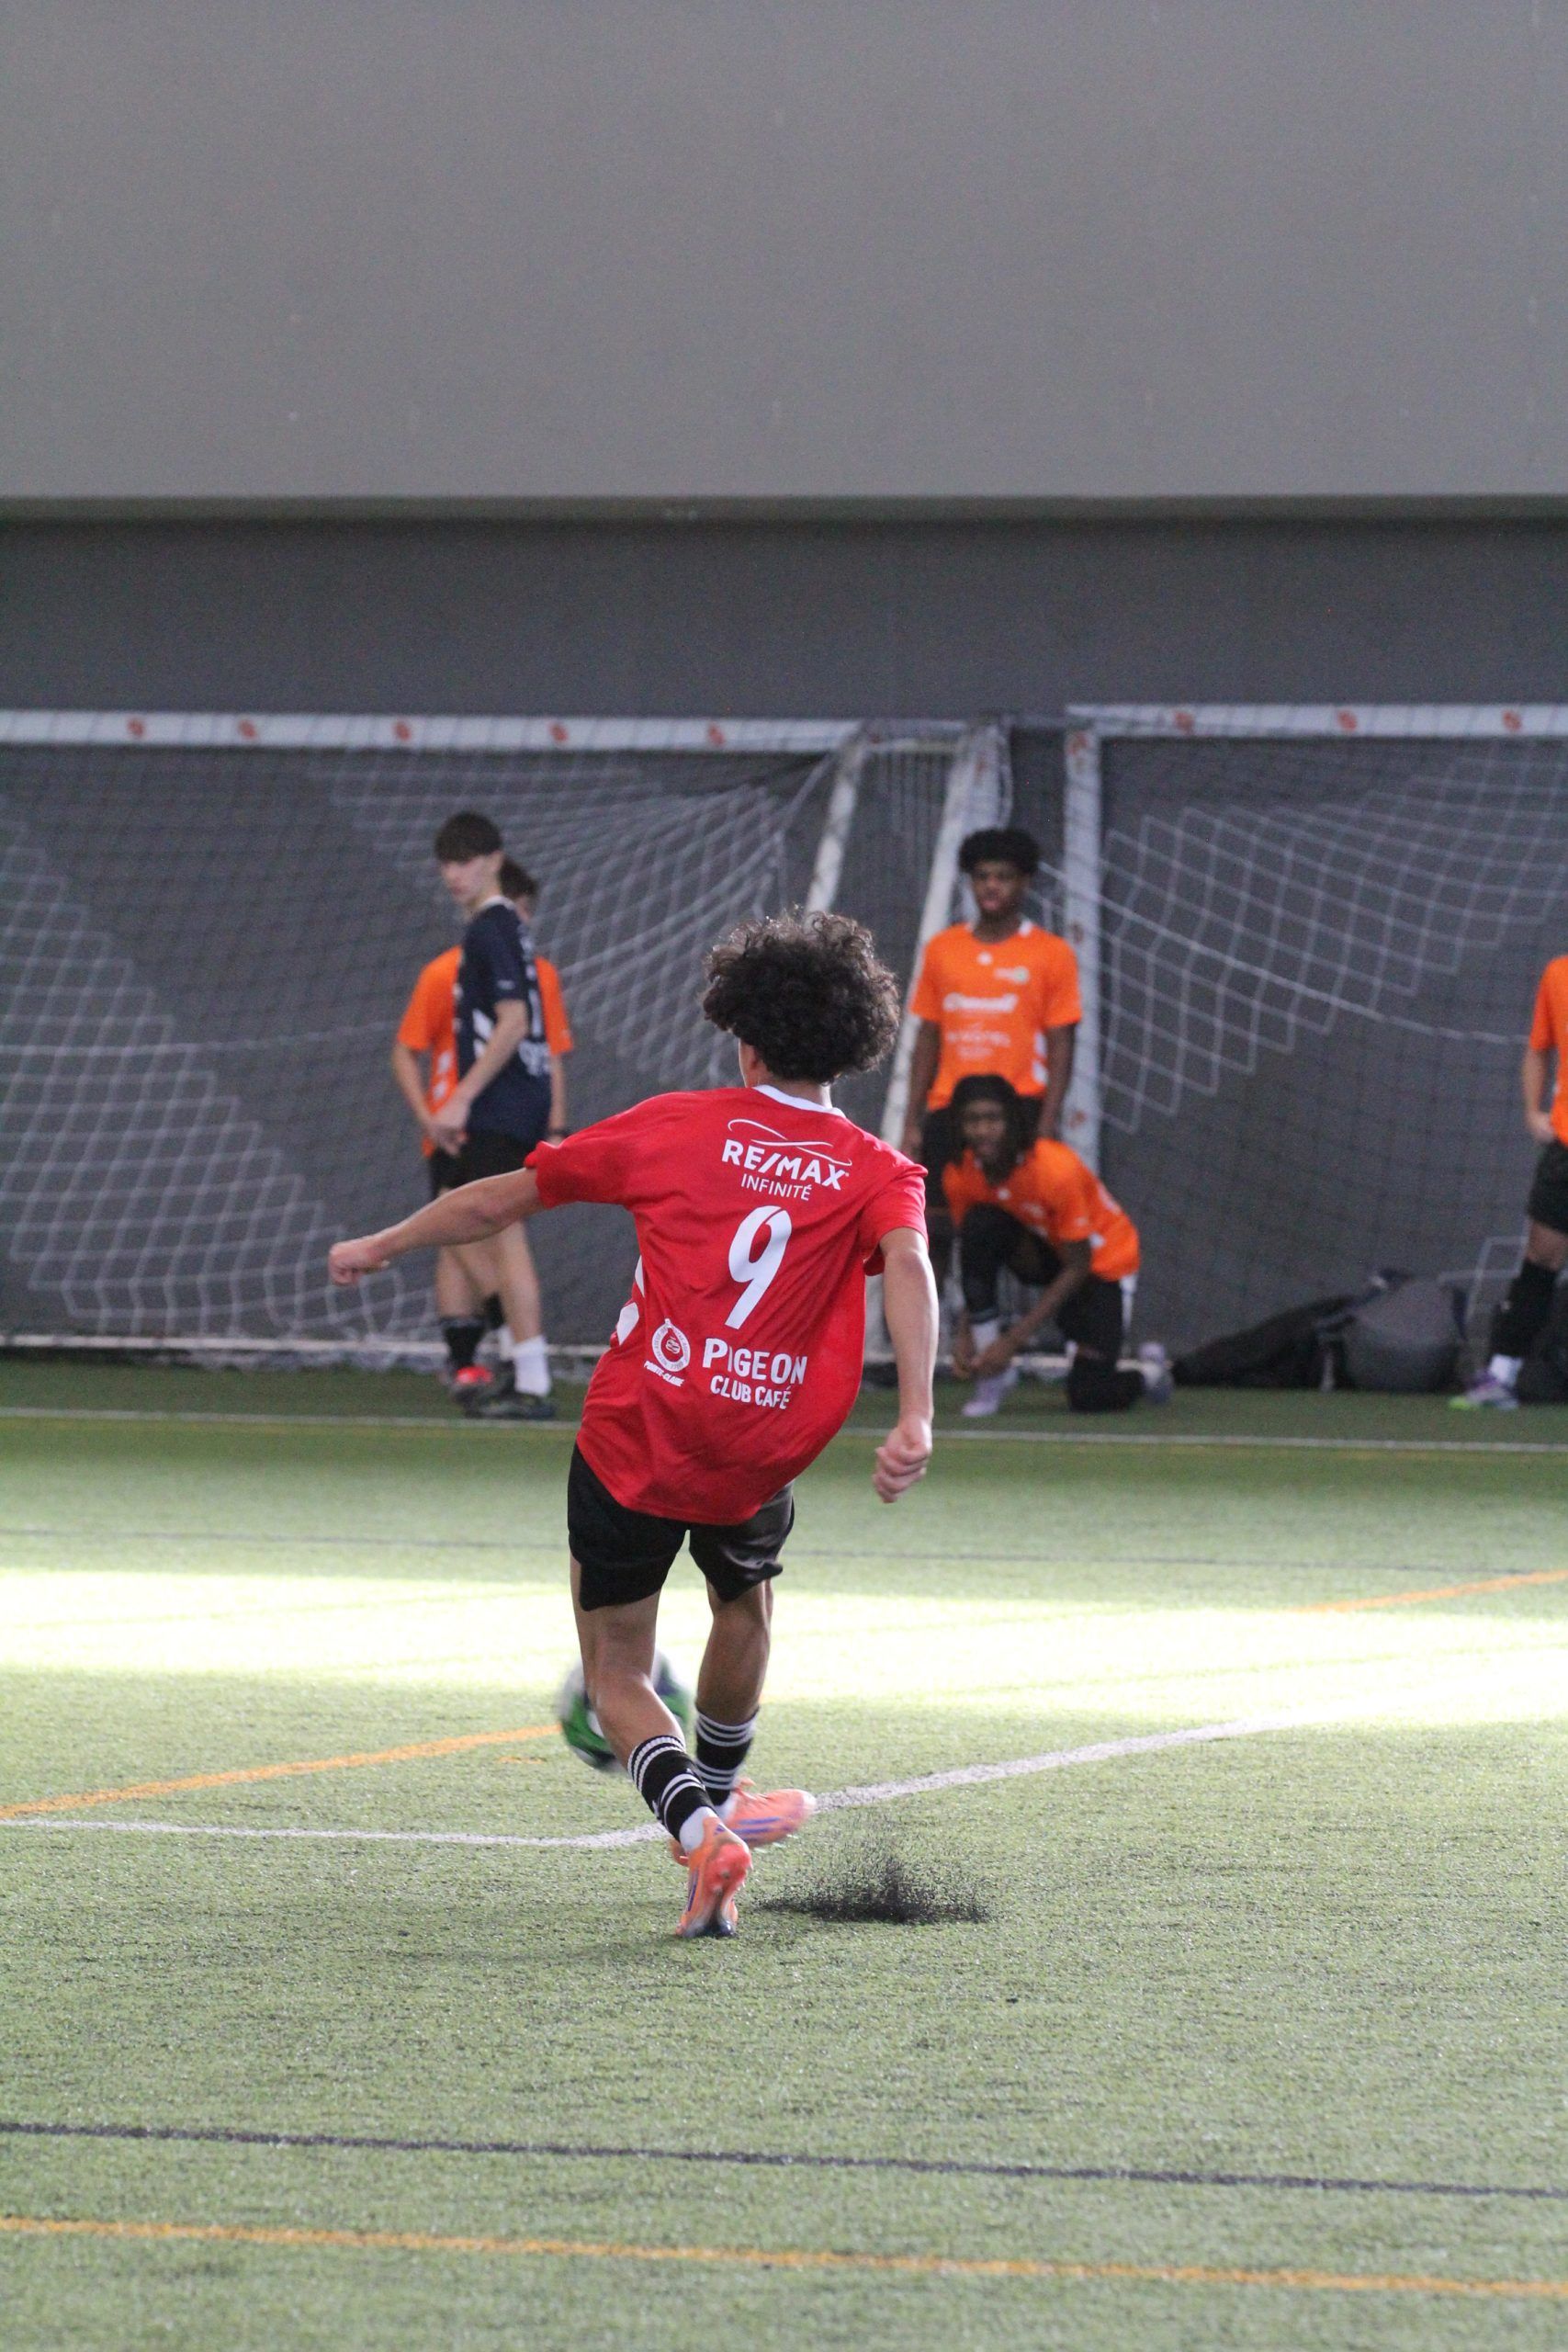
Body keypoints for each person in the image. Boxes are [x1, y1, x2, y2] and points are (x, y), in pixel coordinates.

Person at [329, 911, 937, 1940]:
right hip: (760, 1441)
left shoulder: (676, 1126)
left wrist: (384, 1244)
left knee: (615, 1664)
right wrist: (915, 1411)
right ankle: (724, 1788)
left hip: (641, 1430)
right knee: (744, 1602)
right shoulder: (878, 1169)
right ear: (853, 1046)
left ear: (744, 1040)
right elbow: (911, 1266)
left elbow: (499, 1202)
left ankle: (701, 1832)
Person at [390, 857, 576, 1401]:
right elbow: (405, 1050)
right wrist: (432, 1113)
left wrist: (556, 1126)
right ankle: (477, 1357)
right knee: (456, 1232)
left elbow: (547, 1053)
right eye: (516, 911)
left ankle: (524, 1361)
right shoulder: (447, 970)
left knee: (494, 1230)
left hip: (496, 1117)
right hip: (454, 1122)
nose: (521, 923)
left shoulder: (537, 975)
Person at [899, 827, 1080, 1284]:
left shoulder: (1052, 953)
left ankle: (995, 1321)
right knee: (933, 1230)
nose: (992, 886)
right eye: (982, 877)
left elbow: (1062, 1043)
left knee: (1012, 1231)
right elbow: (928, 1038)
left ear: (1024, 882)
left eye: (1003, 876)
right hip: (949, 1108)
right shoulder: (942, 949)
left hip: (1020, 1108)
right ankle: (930, 1323)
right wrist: (912, 1119)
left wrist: (1047, 1122)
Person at [429, 811, 557, 1421]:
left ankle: (531, 1379)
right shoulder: (500, 927)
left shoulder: (491, 927)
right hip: (508, 1100)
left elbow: (513, 1022)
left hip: (503, 1103)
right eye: (448, 863)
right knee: (452, 1218)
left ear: (494, 861)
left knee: (502, 1234)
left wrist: (461, 1096)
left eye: (468, 860)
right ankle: (514, 1347)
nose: (456, 873)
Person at [942, 1073, 1168, 1417]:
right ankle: (992, 1377)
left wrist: (1012, 1341)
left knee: (1090, 1395)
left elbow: (1079, 1265)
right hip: (1046, 1253)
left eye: (992, 1118)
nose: (982, 1130)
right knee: (980, 1224)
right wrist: (967, 1333)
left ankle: (1150, 1373)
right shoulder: (960, 1174)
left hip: (1099, 1266)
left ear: (1013, 1120)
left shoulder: (1055, 1169)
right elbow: (975, 1259)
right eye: (972, 1120)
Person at [1455, 953, 1568, 1407]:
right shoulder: (1558, 974)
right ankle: (1502, 1377)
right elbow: (1537, 1049)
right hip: (1566, 1151)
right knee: (1540, 1260)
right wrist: (1532, 1112)